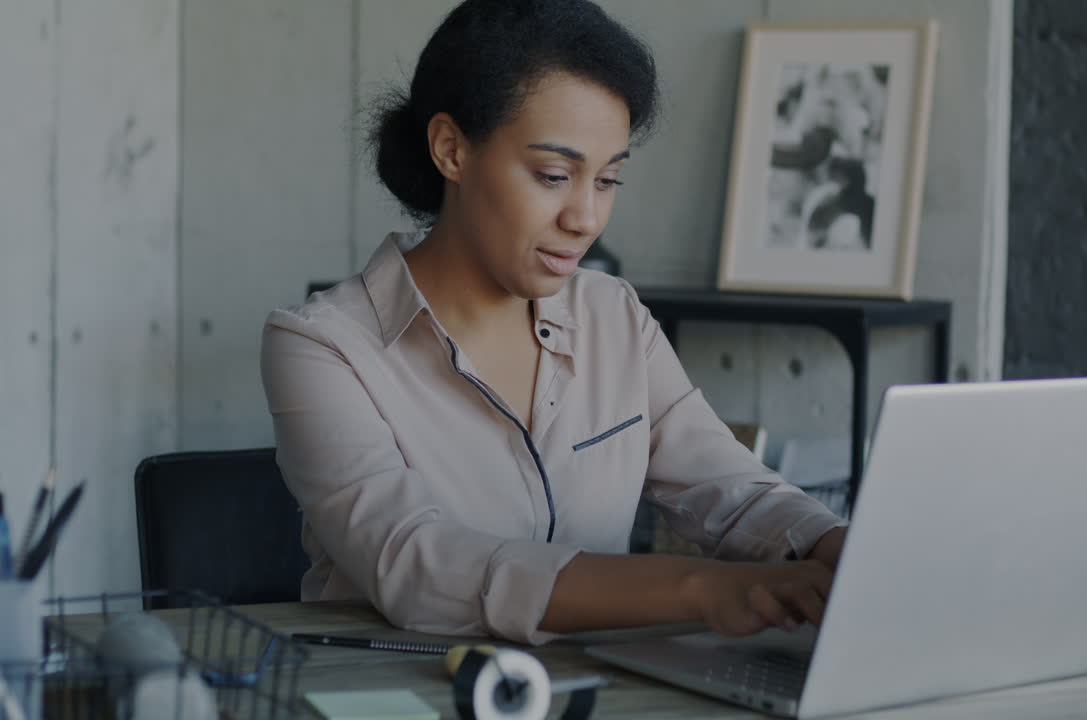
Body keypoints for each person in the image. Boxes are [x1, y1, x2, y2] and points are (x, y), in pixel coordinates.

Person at [260, 0, 848, 645]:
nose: (586, 218)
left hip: (604, 689)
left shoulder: (614, 317)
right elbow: (414, 562)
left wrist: (837, 546)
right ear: (451, 149)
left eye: (608, 180)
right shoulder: (322, 347)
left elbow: (738, 494)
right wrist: (699, 588)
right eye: (554, 175)